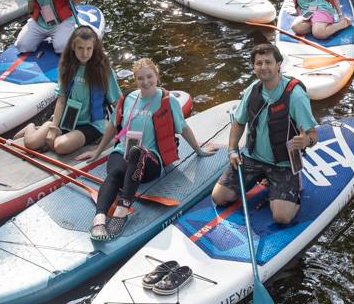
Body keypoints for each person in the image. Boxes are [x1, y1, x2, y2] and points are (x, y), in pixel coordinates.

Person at [89, 58, 210, 240]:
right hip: (123, 151)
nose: (145, 82)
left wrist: (198, 150)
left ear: (157, 76)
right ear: (135, 80)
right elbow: (113, 126)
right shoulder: (128, 98)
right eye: (140, 78)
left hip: (149, 160)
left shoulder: (168, 102)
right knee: (115, 173)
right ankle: (99, 218)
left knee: (137, 152)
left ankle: (122, 210)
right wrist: (97, 152)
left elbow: (183, 128)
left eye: (149, 77)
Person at [213, 44, 319, 225]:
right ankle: (263, 179)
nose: (263, 67)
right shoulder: (252, 91)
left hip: (283, 163)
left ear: (279, 64)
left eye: (268, 62)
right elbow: (238, 123)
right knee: (219, 197)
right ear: (254, 68)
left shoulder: (295, 96)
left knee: (282, 217)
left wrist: (306, 142)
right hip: (252, 158)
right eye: (258, 63)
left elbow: (313, 135)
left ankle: (293, 190)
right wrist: (232, 150)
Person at [16, 25, 120, 155]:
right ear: (73, 47)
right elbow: (61, 100)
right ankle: (31, 127)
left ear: (94, 48)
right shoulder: (67, 67)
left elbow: (118, 104)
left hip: (91, 124)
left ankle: (49, 137)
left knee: (60, 146)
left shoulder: (104, 71)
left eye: (89, 49)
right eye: (80, 48)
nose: (85, 53)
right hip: (68, 120)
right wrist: (54, 127)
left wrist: (118, 129)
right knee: (31, 143)